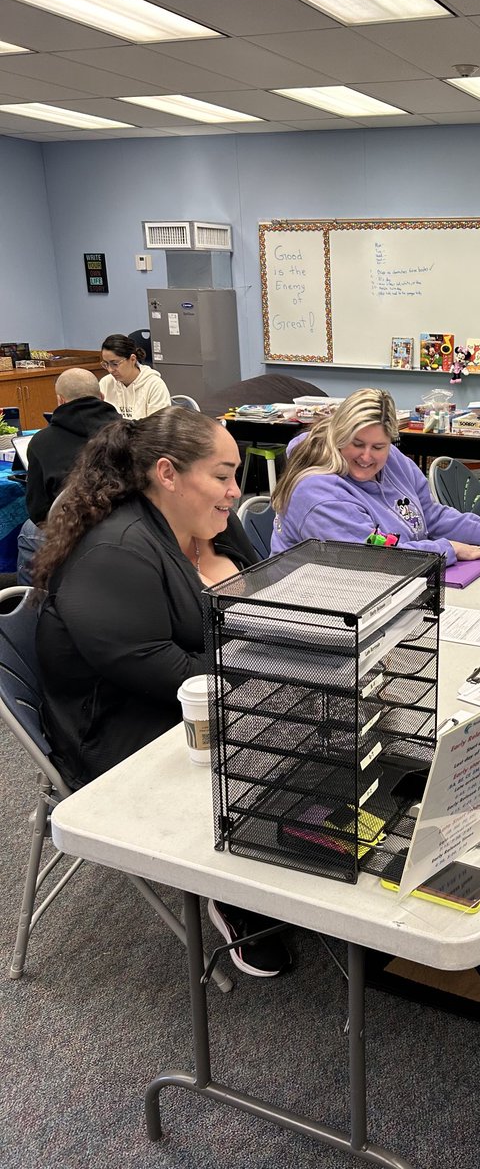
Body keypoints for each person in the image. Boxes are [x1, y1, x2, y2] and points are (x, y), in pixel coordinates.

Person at [32, 407, 291, 978]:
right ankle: (233, 888)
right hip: (127, 730)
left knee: (323, 716)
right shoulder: (116, 552)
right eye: (222, 475)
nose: (235, 490)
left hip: (193, 693)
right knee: (294, 731)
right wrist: (275, 671)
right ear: (168, 473)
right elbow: (168, 674)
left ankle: (283, 846)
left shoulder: (207, 525)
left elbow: (270, 596)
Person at [271, 388, 480, 561]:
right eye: (357, 444)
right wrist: (448, 549)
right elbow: (371, 556)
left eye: (378, 447)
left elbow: (429, 514)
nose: (367, 457)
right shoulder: (316, 492)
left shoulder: (392, 460)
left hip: (385, 585)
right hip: (313, 605)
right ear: (339, 437)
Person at [25, 367, 118, 524]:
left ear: (60, 400)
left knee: (27, 528)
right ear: (102, 397)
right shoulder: (131, 431)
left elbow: (38, 512)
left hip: (70, 528)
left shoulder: (41, 442)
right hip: (129, 524)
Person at [99, 333, 171, 420]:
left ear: (132, 359)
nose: (110, 370)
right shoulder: (105, 383)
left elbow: (158, 425)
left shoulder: (154, 385)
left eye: (115, 364)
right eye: (106, 364)